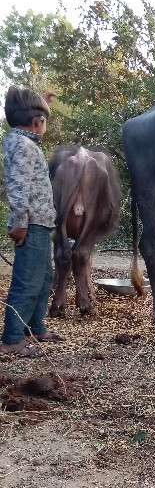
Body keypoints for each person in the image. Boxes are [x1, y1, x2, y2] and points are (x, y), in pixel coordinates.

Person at [1, 86, 64, 357]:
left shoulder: (22, 141)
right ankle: (12, 338)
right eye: (45, 119)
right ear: (38, 122)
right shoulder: (24, 147)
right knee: (28, 280)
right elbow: (19, 187)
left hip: (40, 223)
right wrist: (20, 222)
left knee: (44, 277)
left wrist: (42, 104)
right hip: (32, 224)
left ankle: (35, 327)